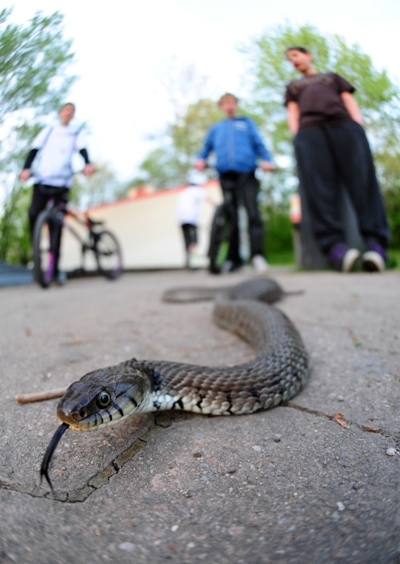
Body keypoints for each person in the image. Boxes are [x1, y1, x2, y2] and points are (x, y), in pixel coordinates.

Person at [284, 46, 389, 272]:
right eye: (289, 59)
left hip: (344, 127)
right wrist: (298, 137)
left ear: (308, 55)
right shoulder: (293, 86)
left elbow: (348, 100)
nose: (293, 61)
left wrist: (357, 126)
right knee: (320, 189)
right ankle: (336, 249)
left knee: (363, 182)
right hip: (310, 133)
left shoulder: (331, 78)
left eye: (295, 55)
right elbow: (293, 112)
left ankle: (375, 245)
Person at [194, 93, 274, 273]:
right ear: (221, 106)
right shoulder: (216, 128)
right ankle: (233, 259)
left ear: (236, 105)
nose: (229, 106)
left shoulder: (246, 123)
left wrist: (267, 160)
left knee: (253, 213)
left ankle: (257, 256)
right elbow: (205, 149)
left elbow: (259, 144)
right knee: (231, 218)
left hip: (247, 172)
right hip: (225, 175)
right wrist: (200, 159)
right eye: (225, 103)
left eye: (231, 103)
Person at [19, 103, 95, 281]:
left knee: (57, 224)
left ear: (73, 115)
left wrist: (88, 163)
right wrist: (26, 169)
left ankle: (54, 271)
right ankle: (36, 249)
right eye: (66, 109)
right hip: (42, 180)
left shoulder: (76, 133)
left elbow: (83, 150)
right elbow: (34, 150)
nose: (69, 113)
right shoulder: (48, 131)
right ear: (60, 112)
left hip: (62, 183)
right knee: (33, 212)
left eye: (72, 111)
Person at [175, 170, 214, 270]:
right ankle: (191, 262)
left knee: (187, 240)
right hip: (190, 219)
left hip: (181, 219)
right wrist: (218, 208)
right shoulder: (196, 189)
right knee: (194, 241)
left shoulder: (183, 192)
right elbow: (208, 199)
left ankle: (188, 261)